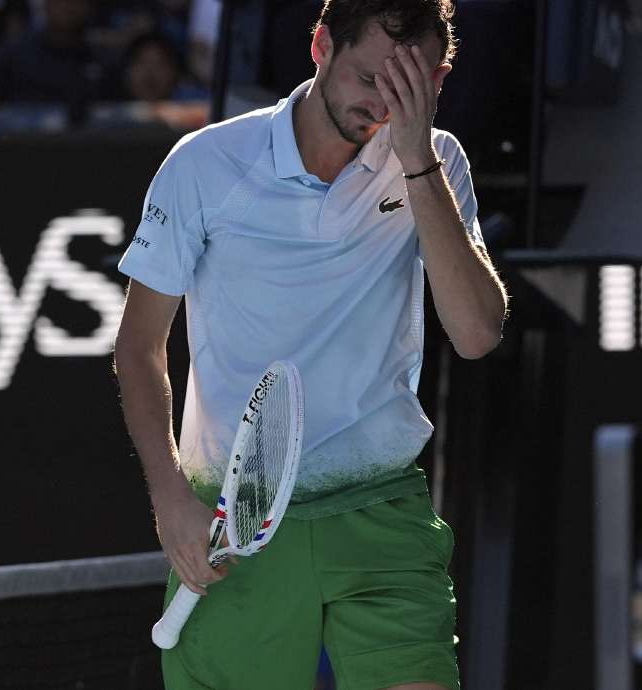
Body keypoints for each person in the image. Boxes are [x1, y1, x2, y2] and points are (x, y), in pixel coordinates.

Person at [113, 1, 509, 688]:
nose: (382, 105)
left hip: (382, 517)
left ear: (435, 81)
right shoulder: (205, 165)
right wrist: (170, 497)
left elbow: (476, 334)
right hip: (230, 526)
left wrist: (416, 160)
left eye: (405, 86)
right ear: (321, 44)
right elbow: (139, 346)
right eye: (367, 79)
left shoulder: (436, 164)